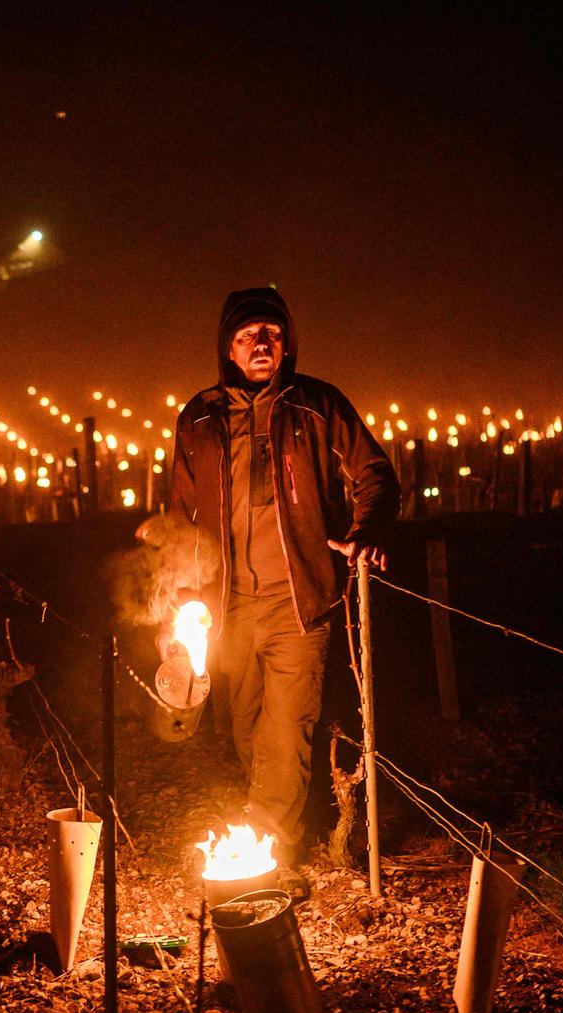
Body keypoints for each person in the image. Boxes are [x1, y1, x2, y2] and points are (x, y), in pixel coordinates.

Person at [168, 286, 399, 868]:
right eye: (247, 337)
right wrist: (180, 598)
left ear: (288, 341)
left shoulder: (316, 404)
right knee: (246, 731)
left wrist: (368, 529)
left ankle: (265, 855)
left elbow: (374, 473)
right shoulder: (198, 417)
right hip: (227, 607)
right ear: (228, 349)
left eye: (271, 333)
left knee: (286, 729)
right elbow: (180, 515)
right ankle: (271, 827)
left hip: (300, 601)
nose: (260, 344)